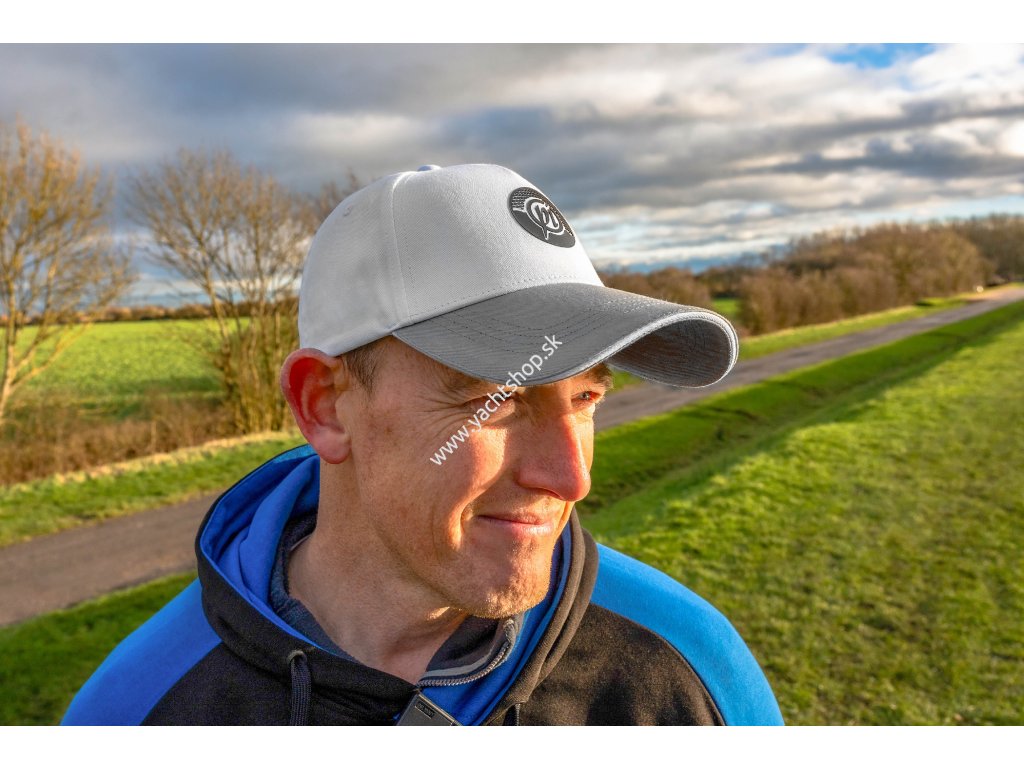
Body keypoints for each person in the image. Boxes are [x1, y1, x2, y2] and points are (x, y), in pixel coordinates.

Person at [62, 163, 783, 726]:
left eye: (585, 398)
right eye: (498, 399)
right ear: (324, 406)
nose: (571, 479)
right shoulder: (134, 713)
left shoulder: (689, 667)